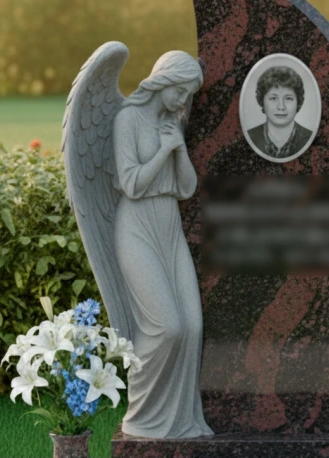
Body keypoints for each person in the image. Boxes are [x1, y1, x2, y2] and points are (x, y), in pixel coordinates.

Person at [111, 51, 214, 438]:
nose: (184, 100)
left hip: (169, 228)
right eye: (181, 91)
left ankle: (180, 421)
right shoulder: (127, 119)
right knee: (167, 327)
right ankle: (141, 416)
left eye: (189, 95)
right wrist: (164, 151)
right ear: (164, 81)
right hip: (136, 229)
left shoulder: (173, 121)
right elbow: (132, 184)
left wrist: (180, 148)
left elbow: (186, 187)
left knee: (192, 326)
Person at [247, 66, 313, 159]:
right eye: (273, 98)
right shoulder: (250, 137)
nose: (281, 107)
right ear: (262, 101)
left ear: (298, 102)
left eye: (288, 98)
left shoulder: (309, 138)